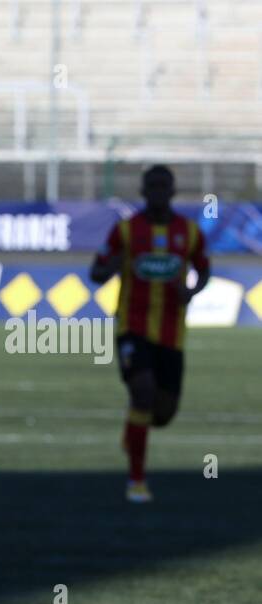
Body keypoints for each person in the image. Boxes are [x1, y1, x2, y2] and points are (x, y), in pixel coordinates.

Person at [90, 165, 209, 503]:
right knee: (142, 392)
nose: (158, 192)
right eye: (152, 186)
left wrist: (192, 290)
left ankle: (133, 431)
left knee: (163, 413)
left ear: (173, 192)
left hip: (172, 335)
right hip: (133, 327)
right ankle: (136, 481)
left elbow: (205, 268)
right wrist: (110, 268)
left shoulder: (189, 232)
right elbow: (96, 271)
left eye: (163, 186)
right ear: (143, 192)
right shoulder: (126, 231)